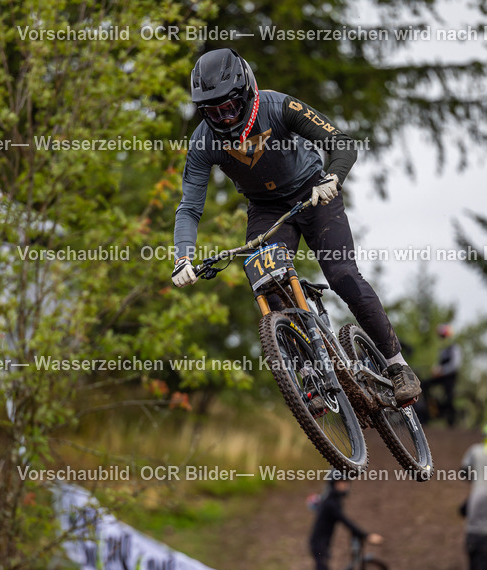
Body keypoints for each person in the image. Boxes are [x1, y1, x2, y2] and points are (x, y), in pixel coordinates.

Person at [170, 48, 421, 405]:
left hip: (315, 192)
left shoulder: (278, 106)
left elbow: (341, 143)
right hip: (266, 208)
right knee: (268, 282)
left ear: (246, 93)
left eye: (229, 107)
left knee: (342, 275)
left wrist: (333, 177)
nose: (224, 119)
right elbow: (189, 207)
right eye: (213, 111)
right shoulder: (202, 141)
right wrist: (183, 257)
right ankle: (310, 375)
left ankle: (398, 366)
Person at [304, 470, 382, 570]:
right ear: (333, 484)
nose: (344, 486)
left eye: (346, 483)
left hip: (321, 544)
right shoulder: (331, 504)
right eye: (341, 483)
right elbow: (345, 521)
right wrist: (366, 535)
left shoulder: (333, 500)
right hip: (319, 545)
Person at [423, 324, 462, 425]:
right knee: (424, 384)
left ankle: (452, 419)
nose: (442, 339)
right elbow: (439, 363)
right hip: (442, 376)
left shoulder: (454, 348)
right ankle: (433, 408)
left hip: (450, 376)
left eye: (443, 336)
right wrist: (436, 369)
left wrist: (442, 371)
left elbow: (455, 364)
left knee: (449, 397)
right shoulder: (442, 349)